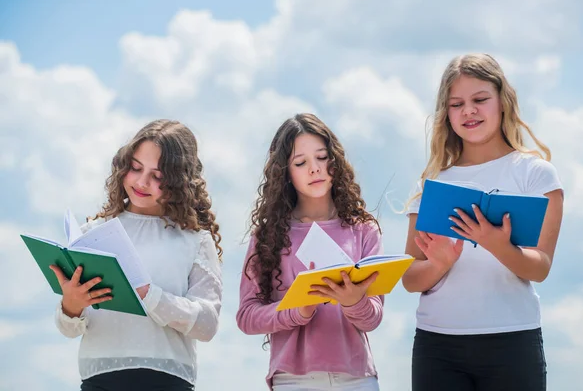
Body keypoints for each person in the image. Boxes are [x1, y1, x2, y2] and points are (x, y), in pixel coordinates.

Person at [402, 53, 563, 391]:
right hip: (437, 345)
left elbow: (540, 268)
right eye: (456, 104)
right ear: (446, 114)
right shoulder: (431, 183)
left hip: (513, 340)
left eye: (479, 100)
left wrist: (496, 244)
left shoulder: (536, 175)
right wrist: (440, 263)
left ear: (502, 102)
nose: (468, 111)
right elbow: (410, 279)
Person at [49, 119, 223, 391]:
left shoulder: (195, 240)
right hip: (99, 382)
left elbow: (207, 325)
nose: (142, 182)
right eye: (136, 168)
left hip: (170, 382)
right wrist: (71, 304)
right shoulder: (91, 233)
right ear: (124, 166)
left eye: (158, 176)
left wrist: (148, 294)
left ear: (179, 181)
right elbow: (69, 329)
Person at [236, 113, 384, 390]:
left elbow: (373, 318)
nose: (314, 168)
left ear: (335, 161)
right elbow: (246, 316)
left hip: (358, 379)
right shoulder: (268, 237)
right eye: (301, 162)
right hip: (293, 380)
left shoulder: (363, 230)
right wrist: (297, 310)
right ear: (286, 174)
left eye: (322, 157)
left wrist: (354, 301)